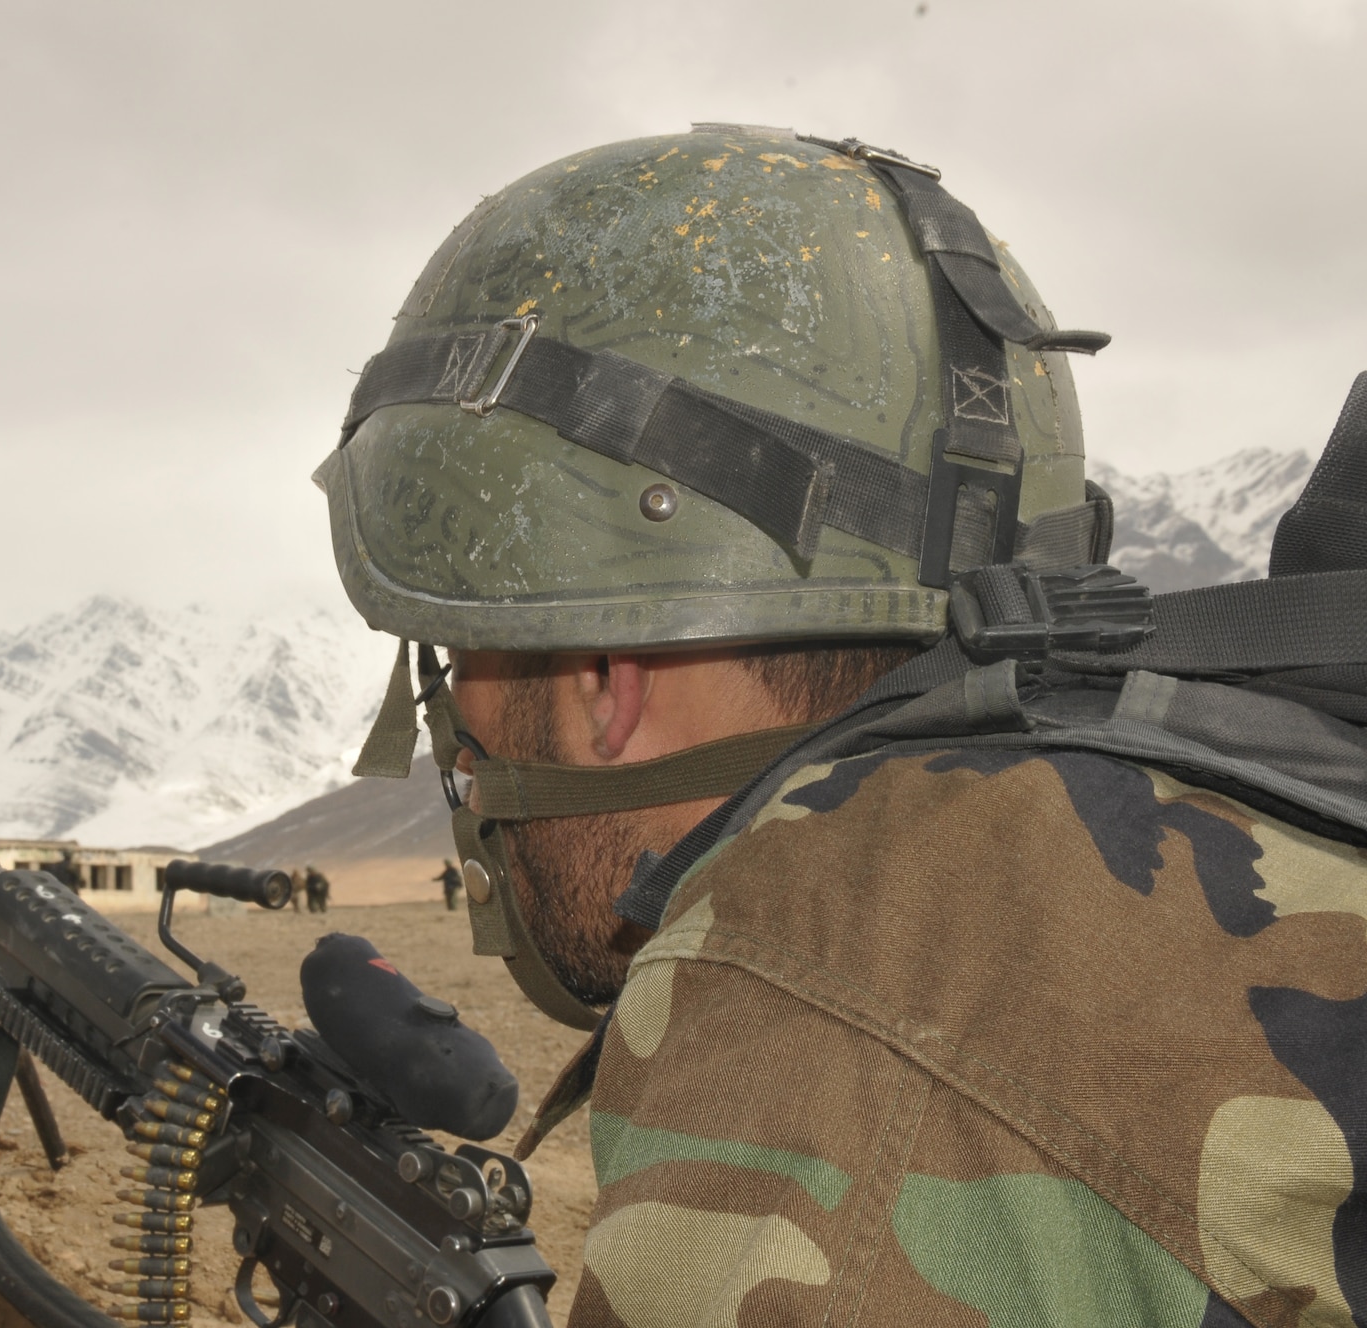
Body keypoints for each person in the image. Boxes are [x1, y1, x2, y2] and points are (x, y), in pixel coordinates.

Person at [319, 125, 1367, 1325]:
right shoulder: (1213, 796)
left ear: (606, 675)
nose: (462, 748)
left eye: (460, 662)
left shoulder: (818, 994)